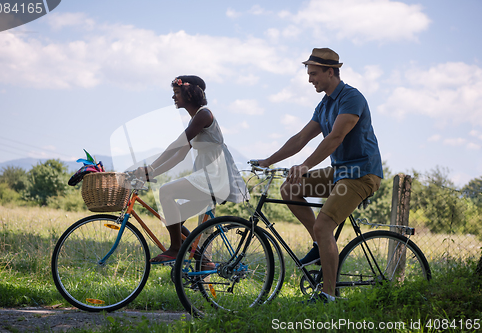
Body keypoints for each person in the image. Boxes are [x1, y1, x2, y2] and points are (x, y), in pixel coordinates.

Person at [257, 48, 383, 303]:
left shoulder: (351, 98)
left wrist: (305, 165)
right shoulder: (324, 104)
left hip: (361, 174)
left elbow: (336, 137)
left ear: (330, 71)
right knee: (290, 188)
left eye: (314, 73)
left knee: (324, 224)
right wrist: (268, 161)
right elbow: (302, 138)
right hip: (339, 173)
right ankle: (318, 245)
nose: (310, 79)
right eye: (309, 73)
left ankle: (329, 295)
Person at [135, 75, 247, 264]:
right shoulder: (195, 119)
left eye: (177, 93)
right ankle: (203, 261)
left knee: (165, 192)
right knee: (172, 218)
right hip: (208, 176)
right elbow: (179, 156)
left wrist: (151, 167)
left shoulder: (204, 115)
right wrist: (152, 172)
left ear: (190, 93)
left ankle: (176, 249)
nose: (173, 97)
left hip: (215, 177)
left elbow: (177, 144)